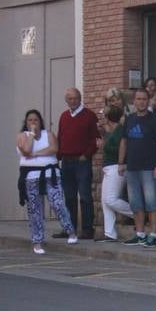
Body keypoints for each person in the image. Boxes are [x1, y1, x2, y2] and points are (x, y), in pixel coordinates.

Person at [16, 109, 78, 254]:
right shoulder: (22, 136)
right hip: (31, 176)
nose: (33, 123)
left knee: (57, 203)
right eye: (30, 120)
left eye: (36, 120)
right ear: (26, 122)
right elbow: (26, 150)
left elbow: (54, 148)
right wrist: (31, 134)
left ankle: (71, 231)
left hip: (50, 174)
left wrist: (36, 153)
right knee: (35, 209)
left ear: (40, 121)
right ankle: (37, 241)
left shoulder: (48, 134)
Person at [118, 87, 156, 247]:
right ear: (134, 101)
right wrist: (120, 163)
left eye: (144, 99)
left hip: (149, 168)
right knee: (136, 203)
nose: (141, 102)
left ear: (148, 100)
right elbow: (124, 142)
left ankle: (153, 235)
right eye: (138, 99)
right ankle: (139, 234)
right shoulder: (130, 119)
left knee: (152, 203)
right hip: (132, 168)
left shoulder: (155, 120)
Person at [55, 87, 102, 240]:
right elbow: (60, 137)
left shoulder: (89, 116)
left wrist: (86, 155)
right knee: (68, 197)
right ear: (66, 101)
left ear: (80, 98)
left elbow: (95, 139)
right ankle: (69, 228)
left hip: (81, 162)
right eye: (69, 99)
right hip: (66, 162)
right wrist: (58, 156)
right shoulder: (64, 116)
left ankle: (87, 230)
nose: (72, 101)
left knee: (85, 196)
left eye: (75, 98)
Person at [95, 105, 133, 243]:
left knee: (111, 199)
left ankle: (137, 213)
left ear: (108, 117)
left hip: (117, 167)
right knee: (105, 202)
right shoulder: (110, 130)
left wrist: (103, 144)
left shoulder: (119, 130)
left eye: (104, 116)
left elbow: (119, 148)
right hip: (108, 168)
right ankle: (109, 233)